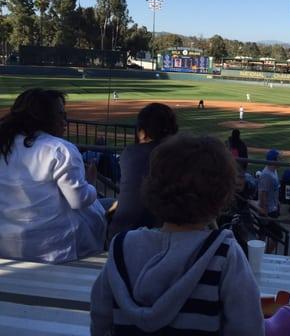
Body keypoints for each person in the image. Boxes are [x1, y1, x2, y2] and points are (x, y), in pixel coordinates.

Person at [90, 134, 265, 335]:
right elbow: (249, 328)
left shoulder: (121, 246)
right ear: (221, 196)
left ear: (153, 188)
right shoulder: (225, 254)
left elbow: (100, 318)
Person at [0, 88, 106, 263]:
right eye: (60, 114)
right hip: (55, 248)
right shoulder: (60, 149)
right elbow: (78, 200)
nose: (64, 121)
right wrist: (90, 183)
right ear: (44, 117)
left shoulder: (5, 145)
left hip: (7, 244)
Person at [107, 103, 178, 242]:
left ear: (142, 132)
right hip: (160, 238)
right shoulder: (180, 154)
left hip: (119, 236)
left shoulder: (129, 153)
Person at [259, 149, 281, 218]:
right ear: (273, 161)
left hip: (274, 207)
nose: (280, 161)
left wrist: (277, 202)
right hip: (269, 211)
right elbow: (263, 194)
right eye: (278, 159)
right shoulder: (266, 175)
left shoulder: (274, 171)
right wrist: (265, 213)